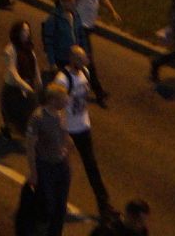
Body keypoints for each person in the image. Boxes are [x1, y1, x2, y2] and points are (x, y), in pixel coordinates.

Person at [55, 47, 114, 219]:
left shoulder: (85, 72)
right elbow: (57, 107)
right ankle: (57, 201)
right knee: (62, 169)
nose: (84, 61)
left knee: (92, 167)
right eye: (80, 58)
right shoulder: (62, 80)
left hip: (83, 128)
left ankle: (104, 206)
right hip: (68, 131)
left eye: (84, 58)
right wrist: (63, 133)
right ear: (72, 59)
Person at [22, 83, 74, 236]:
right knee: (47, 207)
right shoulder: (38, 118)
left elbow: (65, 135)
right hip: (45, 167)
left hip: (61, 165)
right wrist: (33, 173)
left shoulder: (60, 114)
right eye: (63, 99)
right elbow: (30, 147)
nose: (66, 102)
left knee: (60, 207)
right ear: (52, 100)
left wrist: (68, 151)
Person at [1, 19, 41, 139]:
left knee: (29, 110)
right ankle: (8, 129)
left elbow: (35, 63)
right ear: (17, 32)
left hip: (27, 84)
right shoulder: (10, 49)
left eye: (28, 30)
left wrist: (38, 81)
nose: (26, 33)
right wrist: (23, 85)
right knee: (12, 111)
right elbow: (12, 71)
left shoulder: (28, 47)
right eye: (24, 30)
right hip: (13, 87)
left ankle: (27, 132)